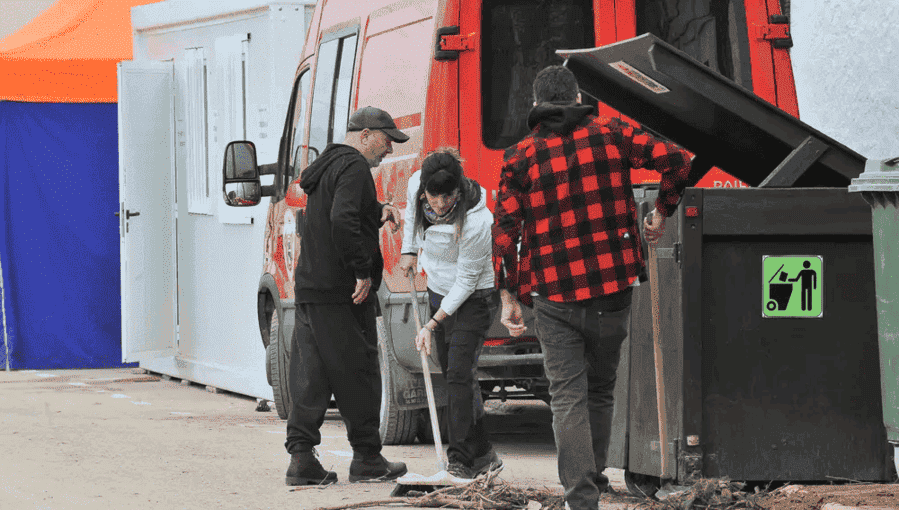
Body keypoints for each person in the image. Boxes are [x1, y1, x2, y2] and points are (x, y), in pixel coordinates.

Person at [492, 65, 694, 510]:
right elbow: (678, 159)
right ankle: (594, 479)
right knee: (601, 388)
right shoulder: (612, 132)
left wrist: (507, 296)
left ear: (535, 106)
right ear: (578, 95)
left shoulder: (519, 157)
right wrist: (663, 211)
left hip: (554, 293)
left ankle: (581, 499)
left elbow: (505, 230)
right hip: (613, 284)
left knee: (567, 396)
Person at [284, 106, 409, 486]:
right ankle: (368, 459)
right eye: (387, 140)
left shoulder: (329, 164)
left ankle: (302, 460)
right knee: (358, 371)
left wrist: (378, 209)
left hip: (310, 287)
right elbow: (342, 219)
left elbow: (338, 210)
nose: (389, 149)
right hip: (341, 292)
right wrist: (361, 271)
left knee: (311, 375)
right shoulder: (355, 166)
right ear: (366, 134)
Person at [398, 148, 502, 479]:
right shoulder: (417, 185)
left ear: (459, 188)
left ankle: (458, 461)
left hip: (474, 296)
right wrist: (410, 250)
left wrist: (431, 323)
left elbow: (467, 282)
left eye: (448, 196)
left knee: (458, 374)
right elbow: (410, 218)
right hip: (437, 290)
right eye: (434, 196)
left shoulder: (477, 221)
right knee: (456, 376)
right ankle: (484, 454)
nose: (440, 204)